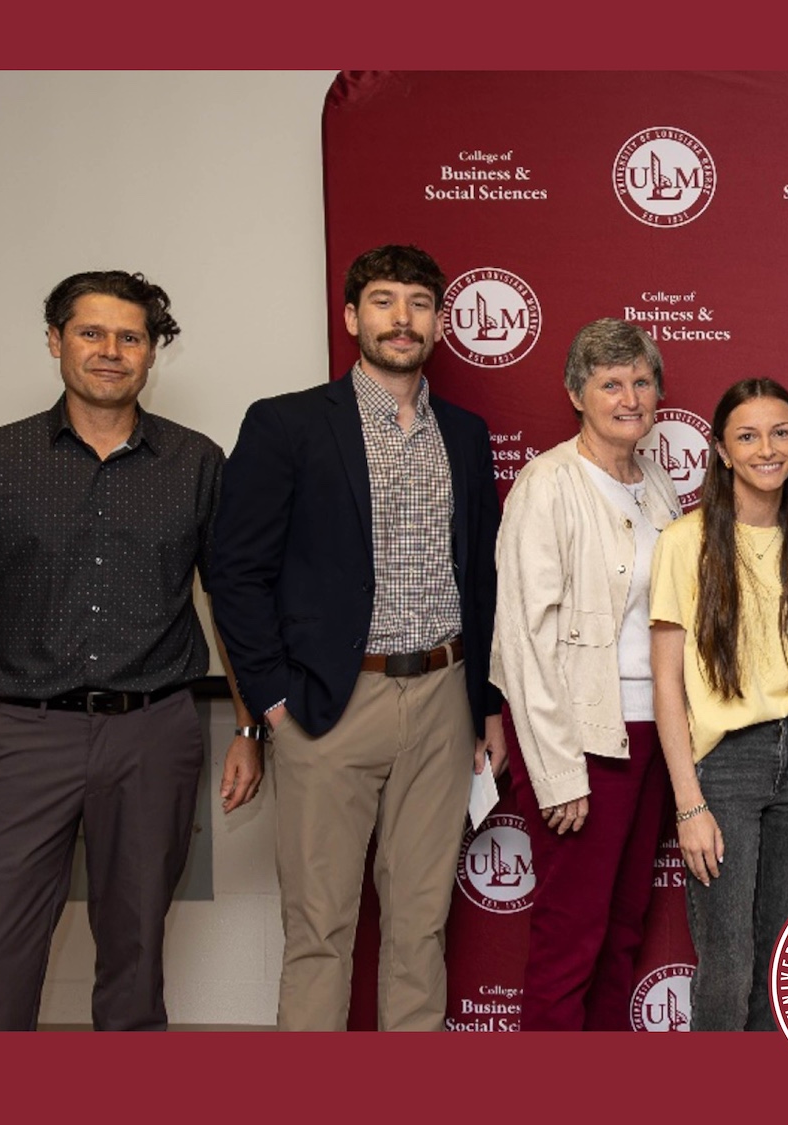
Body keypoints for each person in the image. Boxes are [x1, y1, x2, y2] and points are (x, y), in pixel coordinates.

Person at [0, 271, 261, 1030]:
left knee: (135, 953)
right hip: (26, 733)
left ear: (153, 354)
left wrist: (249, 727)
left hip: (155, 731)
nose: (110, 351)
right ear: (56, 341)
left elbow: (229, 601)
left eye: (130, 337)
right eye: (91, 333)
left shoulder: (197, 462)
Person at [208, 244, 505, 1031]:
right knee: (320, 931)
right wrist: (271, 700)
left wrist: (486, 706)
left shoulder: (467, 435)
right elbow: (234, 572)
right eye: (382, 300)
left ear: (439, 322)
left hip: (444, 699)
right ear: (351, 318)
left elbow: (482, 581)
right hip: (328, 703)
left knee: (420, 927)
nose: (401, 318)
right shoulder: (287, 424)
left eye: (417, 303)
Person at [490, 319, 681, 1030]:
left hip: (653, 733)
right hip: (585, 740)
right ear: (577, 393)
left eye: (640, 381)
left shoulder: (655, 482)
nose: (629, 396)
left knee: (623, 931)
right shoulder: (548, 484)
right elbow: (522, 641)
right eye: (610, 383)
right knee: (571, 939)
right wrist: (557, 769)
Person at [649, 378, 788, 1031]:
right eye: (748, 435)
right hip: (725, 764)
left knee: (785, 958)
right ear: (722, 451)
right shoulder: (686, 541)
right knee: (728, 961)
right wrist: (689, 803)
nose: (767, 448)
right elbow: (668, 683)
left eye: (781, 432)